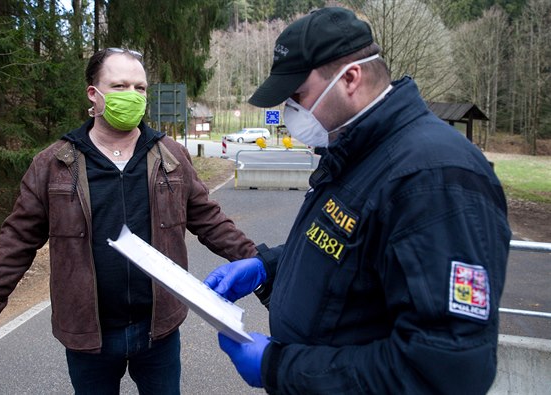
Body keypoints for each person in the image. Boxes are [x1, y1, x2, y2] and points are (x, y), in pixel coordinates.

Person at [204, 7, 511, 394]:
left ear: (351, 78)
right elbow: (352, 253)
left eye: (298, 95)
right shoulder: (357, 149)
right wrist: (269, 267)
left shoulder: (435, 179)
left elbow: (444, 371)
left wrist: (280, 369)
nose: (290, 111)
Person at [0, 47, 257, 394]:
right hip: (88, 337)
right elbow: (16, 242)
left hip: (158, 330)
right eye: (120, 86)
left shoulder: (170, 155)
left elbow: (210, 221)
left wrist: (260, 264)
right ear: (94, 94)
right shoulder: (54, 163)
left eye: (140, 88)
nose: (133, 96)